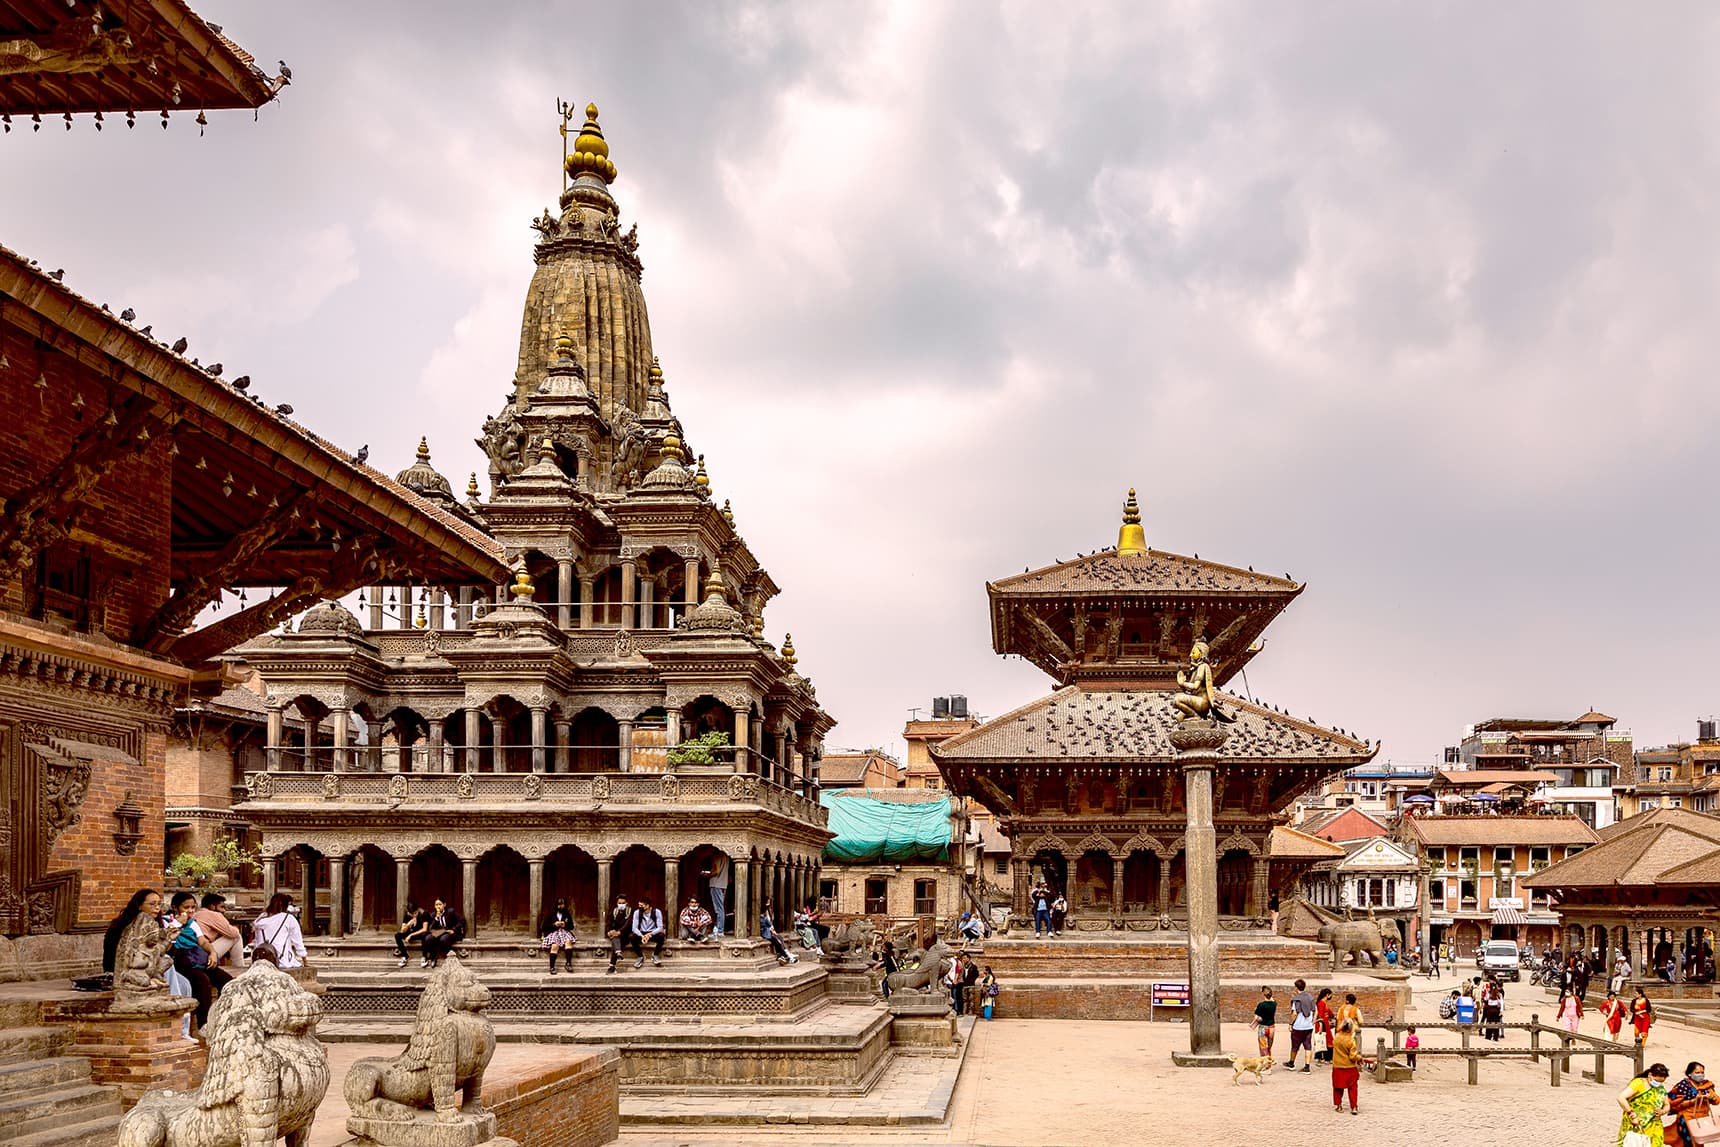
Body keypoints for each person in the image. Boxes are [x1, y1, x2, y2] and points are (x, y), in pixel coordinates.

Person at [169, 890, 230, 1033]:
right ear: (175, 908)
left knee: (227, 981)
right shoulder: (168, 922)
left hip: (198, 959)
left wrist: (213, 952)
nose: (190, 911)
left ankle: (223, 1016)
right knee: (202, 981)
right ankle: (204, 1023)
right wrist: (178, 923)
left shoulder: (193, 923)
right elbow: (166, 938)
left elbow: (202, 941)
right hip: (182, 961)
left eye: (192, 907)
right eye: (186, 907)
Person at [102, 888, 162, 977]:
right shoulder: (123, 927)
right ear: (139, 906)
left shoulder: (155, 924)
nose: (157, 908)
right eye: (152, 904)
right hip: (126, 967)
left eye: (159, 904)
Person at [1616, 1063, 1671, 1147]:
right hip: (1636, 1124)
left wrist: (1662, 1111)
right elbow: (1621, 1098)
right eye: (1657, 1081)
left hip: (1654, 1124)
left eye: (1661, 1082)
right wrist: (1632, 1115)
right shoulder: (1639, 1083)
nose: (1659, 1084)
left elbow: (1667, 1104)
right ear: (1650, 1075)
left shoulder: (1660, 1088)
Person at [250, 893, 307, 971]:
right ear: (286, 905)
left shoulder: (260, 918)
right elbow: (298, 941)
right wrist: (305, 961)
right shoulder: (288, 918)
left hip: (259, 959)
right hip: (281, 960)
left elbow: (256, 941)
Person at [1668, 1061, 1716, 1147]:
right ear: (1690, 1074)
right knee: (1688, 1142)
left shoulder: (1707, 1085)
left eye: (1702, 1072)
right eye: (1697, 1072)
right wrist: (1694, 1101)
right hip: (1687, 1119)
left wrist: (1712, 1098)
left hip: (1701, 1120)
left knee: (1699, 1141)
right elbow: (1677, 1104)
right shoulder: (1683, 1086)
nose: (1700, 1075)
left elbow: (1717, 1101)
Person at [192, 892, 245, 970]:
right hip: (203, 953)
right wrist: (234, 928)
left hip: (193, 953)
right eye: (222, 907)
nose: (223, 910)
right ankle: (239, 967)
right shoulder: (213, 914)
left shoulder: (197, 913)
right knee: (236, 937)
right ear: (212, 906)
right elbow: (233, 933)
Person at [421, 898, 465, 968]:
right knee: (428, 938)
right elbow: (431, 928)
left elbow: (461, 921)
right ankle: (433, 957)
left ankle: (448, 956)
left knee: (443, 939)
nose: (438, 906)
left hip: (450, 932)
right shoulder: (433, 915)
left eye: (440, 904)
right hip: (439, 933)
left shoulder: (450, 912)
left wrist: (454, 929)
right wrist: (436, 919)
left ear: (444, 905)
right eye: (436, 905)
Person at [1331, 1020, 1361, 1115]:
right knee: (1352, 1087)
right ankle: (1354, 1106)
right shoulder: (1351, 1041)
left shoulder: (1336, 1037)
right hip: (1349, 1067)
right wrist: (1359, 1057)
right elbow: (1352, 1056)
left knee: (1337, 1087)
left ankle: (1338, 1105)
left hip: (1338, 1066)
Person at [628, 896, 667, 968]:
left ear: (647, 905)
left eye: (641, 906)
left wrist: (650, 934)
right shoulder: (637, 912)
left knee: (661, 936)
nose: (639, 907)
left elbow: (660, 928)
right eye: (639, 905)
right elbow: (634, 928)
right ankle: (640, 956)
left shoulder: (657, 912)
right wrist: (642, 936)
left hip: (652, 933)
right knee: (632, 937)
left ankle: (655, 955)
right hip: (641, 933)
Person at [540, 897, 576, 974]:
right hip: (553, 932)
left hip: (564, 932)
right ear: (556, 905)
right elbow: (543, 926)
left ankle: (568, 963)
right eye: (559, 905)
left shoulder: (567, 914)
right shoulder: (550, 914)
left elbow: (571, 926)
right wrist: (554, 924)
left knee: (568, 943)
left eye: (562, 905)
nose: (561, 906)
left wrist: (565, 925)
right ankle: (552, 967)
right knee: (555, 946)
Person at [1288, 978, 1316, 1072]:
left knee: (1295, 1046)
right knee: (1308, 1046)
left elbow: (1294, 1013)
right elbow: (1315, 1011)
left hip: (1298, 1026)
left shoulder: (1297, 1000)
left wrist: (1290, 1023)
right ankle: (1307, 1066)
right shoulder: (1311, 998)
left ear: (1296, 988)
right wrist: (1313, 1021)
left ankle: (1291, 1063)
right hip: (1309, 1026)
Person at [759, 897, 796, 965]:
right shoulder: (763, 918)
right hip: (766, 934)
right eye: (768, 902)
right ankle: (786, 955)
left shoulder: (763, 917)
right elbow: (769, 924)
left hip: (768, 933)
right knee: (777, 941)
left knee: (779, 939)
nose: (769, 904)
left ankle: (785, 954)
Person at [702, 853, 730, 938]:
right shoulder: (726, 856)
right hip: (723, 884)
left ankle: (719, 931)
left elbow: (717, 871)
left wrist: (707, 875)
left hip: (716, 884)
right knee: (721, 908)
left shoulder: (717, 856)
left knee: (718, 909)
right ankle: (719, 930)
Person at [394, 900, 426, 968]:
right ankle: (404, 955)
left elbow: (424, 929)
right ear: (409, 913)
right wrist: (408, 925)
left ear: (417, 910)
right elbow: (402, 931)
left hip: (419, 933)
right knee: (397, 935)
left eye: (415, 913)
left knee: (425, 935)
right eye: (412, 914)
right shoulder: (407, 916)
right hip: (410, 933)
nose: (414, 915)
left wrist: (411, 935)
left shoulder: (423, 914)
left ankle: (424, 957)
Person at [1252, 986, 1277, 1057]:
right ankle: (1269, 1061)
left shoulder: (1261, 1005)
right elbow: (1272, 1000)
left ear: (1263, 994)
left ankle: (1266, 1064)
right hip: (1272, 1027)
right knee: (1269, 1047)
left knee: (1263, 1047)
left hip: (1263, 1027)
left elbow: (1256, 1017)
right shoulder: (1274, 1004)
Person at [1314, 987, 1336, 1064]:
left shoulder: (1323, 1003)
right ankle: (1327, 1058)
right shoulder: (1321, 1003)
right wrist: (1320, 1027)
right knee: (1326, 1040)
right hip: (1322, 1024)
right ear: (1327, 995)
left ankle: (1323, 1057)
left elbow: (1330, 1013)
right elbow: (1320, 1016)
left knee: (1325, 1040)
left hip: (1325, 1024)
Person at [945, 950, 966, 1016]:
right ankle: (958, 1010)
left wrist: (953, 980)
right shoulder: (958, 962)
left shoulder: (957, 962)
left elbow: (957, 972)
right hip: (956, 981)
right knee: (956, 996)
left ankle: (957, 1010)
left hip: (956, 981)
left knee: (955, 996)